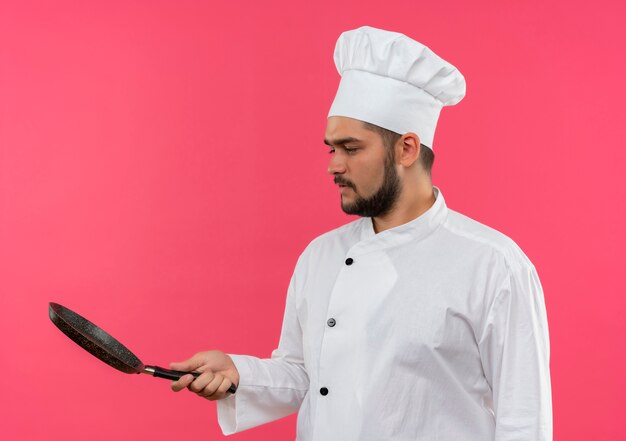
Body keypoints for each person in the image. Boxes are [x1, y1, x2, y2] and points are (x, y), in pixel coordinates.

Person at [170, 26, 552, 441]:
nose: (333, 166)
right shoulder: (321, 255)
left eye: (350, 149)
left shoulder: (493, 264)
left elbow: (524, 418)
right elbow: (307, 375)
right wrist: (239, 373)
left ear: (406, 148)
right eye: (331, 148)